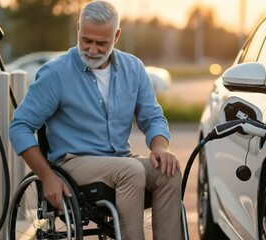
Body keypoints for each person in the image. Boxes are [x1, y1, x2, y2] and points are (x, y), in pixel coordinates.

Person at [9, 0, 182, 239]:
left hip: (120, 160)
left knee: (168, 171)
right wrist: (47, 176)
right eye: (86, 41)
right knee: (131, 171)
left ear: (117, 36)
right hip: (74, 163)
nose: (92, 50)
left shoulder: (134, 69)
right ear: (79, 27)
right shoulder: (56, 73)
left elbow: (152, 117)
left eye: (101, 43)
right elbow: (19, 127)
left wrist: (160, 147)